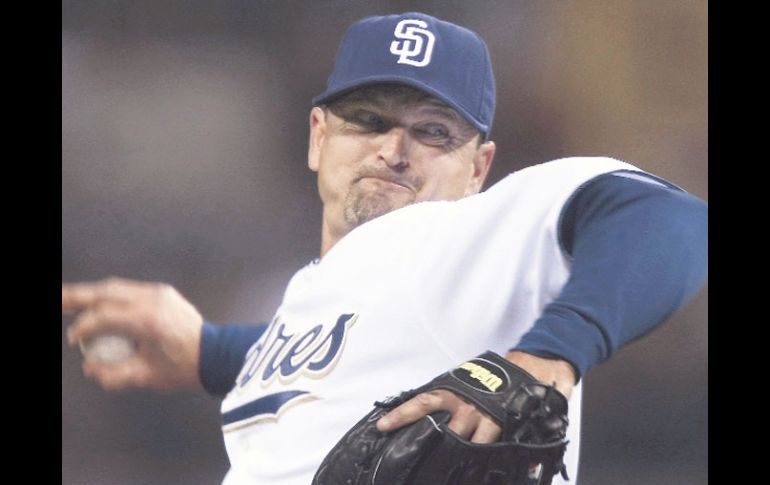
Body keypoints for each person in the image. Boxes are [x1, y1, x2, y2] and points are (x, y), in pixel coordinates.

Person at [62, 12, 708, 485]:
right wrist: (210, 352)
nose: (393, 150)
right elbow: (349, 345)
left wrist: (550, 355)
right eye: (368, 120)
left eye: (431, 131)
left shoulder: (460, 236)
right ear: (318, 137)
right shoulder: (317, 291)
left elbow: (670, 217)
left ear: (479, 167)